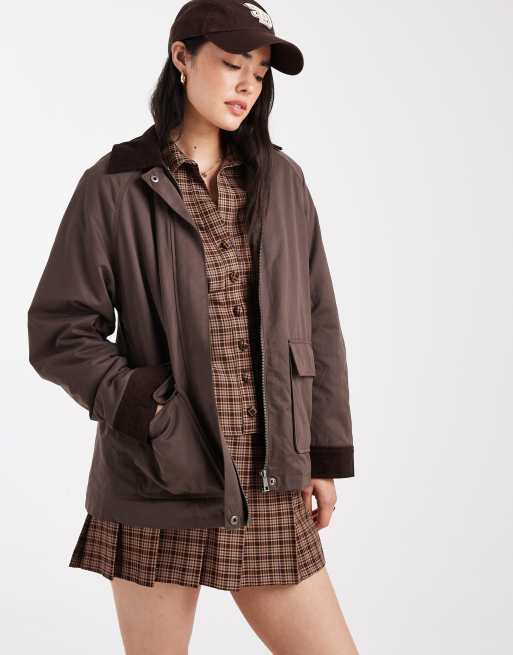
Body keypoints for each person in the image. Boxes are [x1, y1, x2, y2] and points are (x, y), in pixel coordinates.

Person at [27, 1, 358, 653]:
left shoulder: (283, 182)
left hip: (268, 474)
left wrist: (321, 453)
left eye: (258, 73)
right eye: (232, 64)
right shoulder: (114, 185)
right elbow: (60, 330)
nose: (246, 86)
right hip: (159, 472)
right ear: (181, 57)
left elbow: (319, 321)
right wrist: (145, 408)